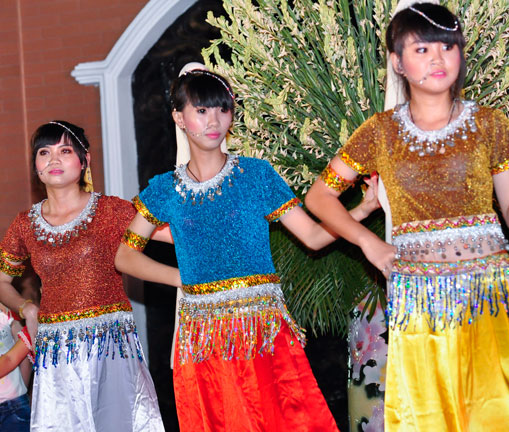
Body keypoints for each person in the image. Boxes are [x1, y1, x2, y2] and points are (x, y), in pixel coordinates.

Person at [304, 4, 509, 431]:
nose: (438, 58)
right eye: (422, 49)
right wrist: (367, 241)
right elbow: (319, 197)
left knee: (506, 416)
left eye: (448, 47)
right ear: (398, 62)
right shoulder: (378, 131)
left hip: (486, 295)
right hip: (418, 301)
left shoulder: (489, 124)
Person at [114, 67, 380, 432]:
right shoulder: (164, 189)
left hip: (262, 331)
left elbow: (314, 237)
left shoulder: (256, 175)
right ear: (179, 117)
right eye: (201, 110)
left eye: (222, 109)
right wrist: (183, 278)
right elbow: (125, 256)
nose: (214, 121)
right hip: (204, 337)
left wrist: (363, 209)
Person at [0, 121, 164, 431]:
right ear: (35, 166)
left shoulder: (111, 210)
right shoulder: (25, 225)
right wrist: (26, 308)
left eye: (65, 151)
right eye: (44, 152)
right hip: (58, 352)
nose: (54, 159)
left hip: (110, 347)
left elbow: (175, 236)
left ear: (84, 160)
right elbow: (1, 281)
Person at [0, 305, 32, 432]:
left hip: (14, 404)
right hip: (14, 401)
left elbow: (24, 356)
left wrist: (21, 390)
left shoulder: (7, 311)